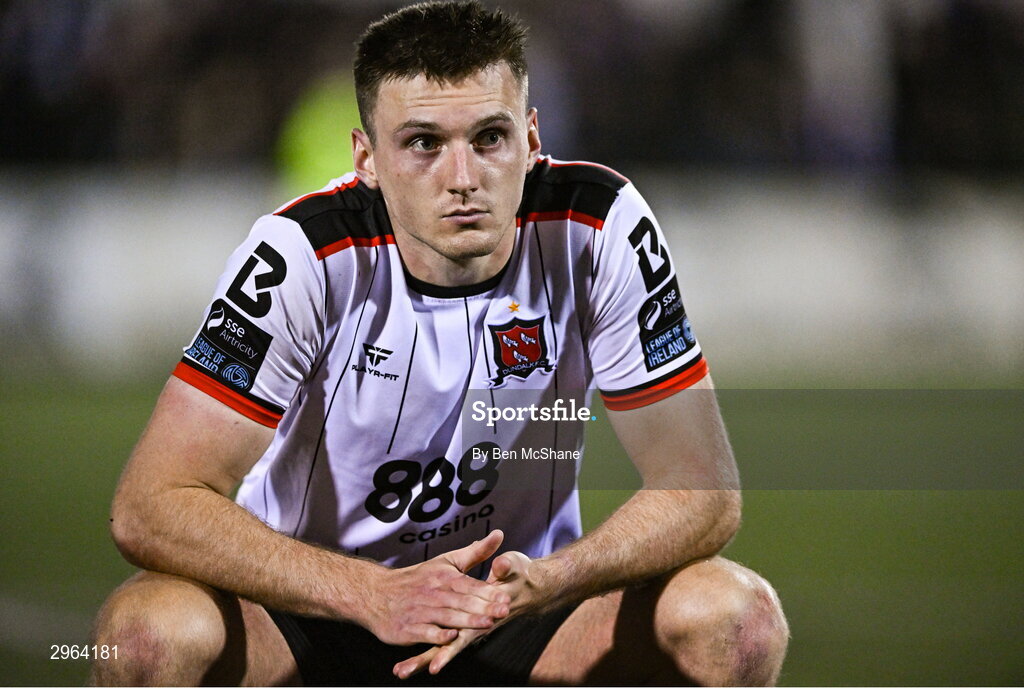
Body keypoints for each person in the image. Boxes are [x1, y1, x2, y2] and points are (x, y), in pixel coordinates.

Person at [90, 1, 788, 685]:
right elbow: (150, 501)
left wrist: (553, 576)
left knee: (734, 619)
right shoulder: (301, 253)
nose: (463, 178)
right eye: (423, 142)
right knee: (147, 636)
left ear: (533, 138)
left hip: (515, 609)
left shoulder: (600, 227)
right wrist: (372, 594)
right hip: (316, 612)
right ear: (366, 156)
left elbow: (703, 489)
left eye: (489, 137)